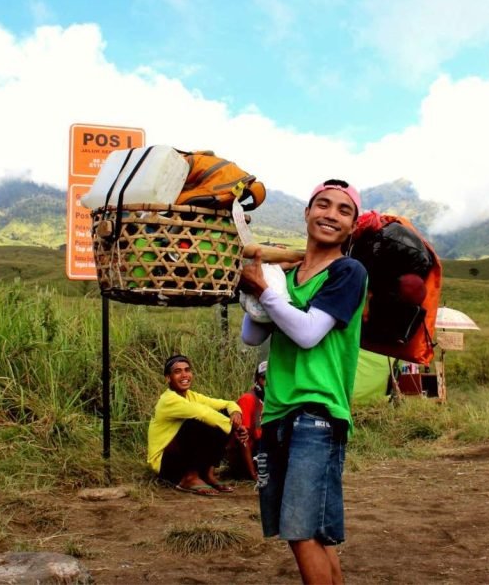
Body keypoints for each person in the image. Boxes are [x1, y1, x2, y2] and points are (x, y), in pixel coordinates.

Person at [240, 179, 368, 585]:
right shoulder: (289, 276)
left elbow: (309, 332)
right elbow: (252, 335)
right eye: (323, 205)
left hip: (317, 411)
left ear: (352, 226)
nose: (330, 214)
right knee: (311, 532)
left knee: (300, 531)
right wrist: (261, 289)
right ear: (307, 212)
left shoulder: (348, 272)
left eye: (343, 210)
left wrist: (265, 291)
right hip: (279, 409)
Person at [147, 354, 249, 496]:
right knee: (196, 423)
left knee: (224, 415)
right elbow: (202, 413)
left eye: (187, 370)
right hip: (165, 465)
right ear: (168, 378)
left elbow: (226, 403)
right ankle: (190, 478)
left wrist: (235, 414)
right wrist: (235, 427)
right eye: (177, 372)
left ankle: (207, 474)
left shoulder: (191, 395)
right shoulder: (168, 400)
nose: (184, 375)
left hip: (180, 460)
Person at [226, 360, 268, 481]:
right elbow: (243, 440)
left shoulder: (274, 400)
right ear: (257, 380)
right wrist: (253, 474)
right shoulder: (248, 399)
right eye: (264, 378)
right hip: (247, 455)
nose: (269, 382)